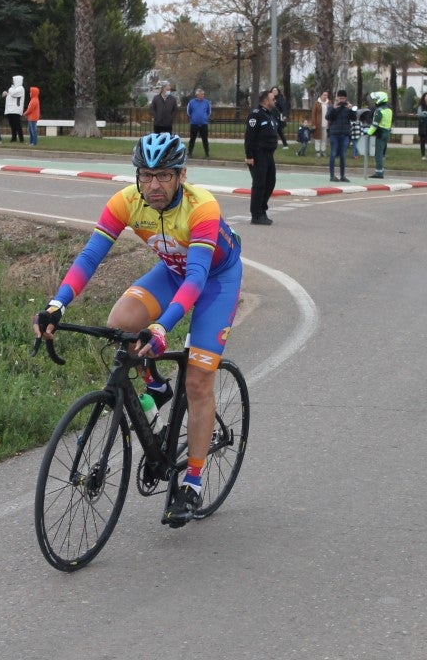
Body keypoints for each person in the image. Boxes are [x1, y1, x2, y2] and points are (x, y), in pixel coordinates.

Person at [32, 133, 243, 528]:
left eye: (164, 175)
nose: (154, 185)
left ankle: (192, 482)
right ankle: (155, 387)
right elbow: (90, 256)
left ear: (181, 175)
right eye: (146, 175)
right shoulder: (126, 202)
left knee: (198, 382)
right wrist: (57, 304)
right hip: (172, 272)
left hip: (214, 280)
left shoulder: (202, 207)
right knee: (120, 325)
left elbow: (197, 277)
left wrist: (162, 327)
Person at [245, 89, 279, 224]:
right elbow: (249, 136)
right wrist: (249, 156)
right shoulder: (256, 115)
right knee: (259, 185)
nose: (275, 101)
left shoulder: (270, 115)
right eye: (272, 99)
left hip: (269, 155)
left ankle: (262, 209)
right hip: (258, 155)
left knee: (270, 182)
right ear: (265, 101)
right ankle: (256, 215)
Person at [325, 89, 356, 182]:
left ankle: (342, 176)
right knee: (333, 154)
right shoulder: (332, 107)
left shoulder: (348, 107)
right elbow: (327, 117)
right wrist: (334, 108)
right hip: (334, 134)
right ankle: (332, 176)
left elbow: (354, 118)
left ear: (345, 98)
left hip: (345, 134)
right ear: (337, 98)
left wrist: (351, 110)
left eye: (343, 98)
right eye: (340, 98)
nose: (341, 100)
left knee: (343, 155)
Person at [363, 91, 392, 178]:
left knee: (378, 154)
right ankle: (381, 171)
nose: (375, 101)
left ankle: (379, 173)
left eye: (376, 99)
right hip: (387, 132)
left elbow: (374, 125)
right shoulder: (389, 110)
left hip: (380, 133)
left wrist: (368, 133)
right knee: (382, 153)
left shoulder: (378, 111)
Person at [186, 87, 211, 158]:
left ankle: (207, 153)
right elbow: (188, 112)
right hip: (194, 124)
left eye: (203, 94)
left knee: (205, 139)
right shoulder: (191, 102)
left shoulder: (207, 102)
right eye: (201, 94)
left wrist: (204, 118)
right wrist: (193, 118)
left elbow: (209, 112)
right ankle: (190, 153)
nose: (203, 95)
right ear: (197, 95)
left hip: (204, 124)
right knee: (192, 139)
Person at [2, 75, 25, 142]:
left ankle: (21, 139)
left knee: (17, 124)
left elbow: (13, 94)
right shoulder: (12, 88)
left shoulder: (20, 88)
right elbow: (10, 94)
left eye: (13, 80)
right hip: (10, 109)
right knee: (12, 125)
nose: (12, 82)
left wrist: (9, 90)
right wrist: (6, 93)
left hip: (16, 110)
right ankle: (14, 138)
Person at [312, 90, 329, 156]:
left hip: (326, 124)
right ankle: (317, 151)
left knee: (324, 138)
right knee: (318, 138)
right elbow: (313, 114)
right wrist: (313, 124)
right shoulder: (317, 103)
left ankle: (323, 151)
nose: (325, 96)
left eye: (326, 95)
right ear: (321, 95)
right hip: (318, 124)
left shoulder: (329, 103)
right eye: (324, 95)